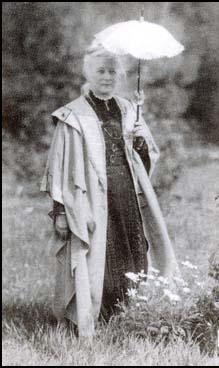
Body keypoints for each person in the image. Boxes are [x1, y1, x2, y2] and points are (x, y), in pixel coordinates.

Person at [41, 43, 178, 338]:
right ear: (89, 73)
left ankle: (132, 313)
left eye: (112, 71)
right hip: (89, 198)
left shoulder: (129, 109)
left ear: (120, 76)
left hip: (125, 193)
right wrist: (60, 211)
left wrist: (140, 140)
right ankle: (97, 317)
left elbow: (142, 159)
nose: (107, 77)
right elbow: (59, 167)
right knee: (98, 255)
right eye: (100, 71)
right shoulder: (72, 116)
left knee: (133, 250)